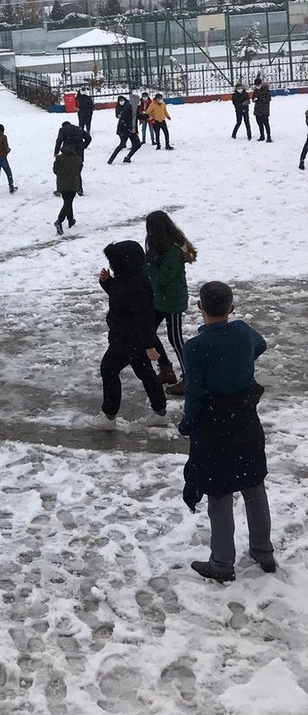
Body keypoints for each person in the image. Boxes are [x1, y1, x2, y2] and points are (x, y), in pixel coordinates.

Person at [180, 281, 274, 582]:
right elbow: (260, 345)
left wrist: (187, 423)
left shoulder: (195, 348)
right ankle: (263, 551)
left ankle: (222, 563)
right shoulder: (243, 332)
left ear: (199, 307)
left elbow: (194, 393)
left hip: (214, 426)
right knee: (254, 485)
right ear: (231, 308)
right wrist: (238, 361)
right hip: (245, 419)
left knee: (219, 493)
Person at [96, 241, 167, 426]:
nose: (113, 265)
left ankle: (108, 416)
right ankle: (160, 412)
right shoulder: (127, 277)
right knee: (145, 373)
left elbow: (144, 317)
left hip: (127, 338)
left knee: (109, 369)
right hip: (132, 338)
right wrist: (107, 282)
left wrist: (149, 345)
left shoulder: (135, 284)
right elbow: (120, 295)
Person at [144, 210, 197, 394]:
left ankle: (189, 377)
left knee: (175, 339)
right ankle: (165, 367)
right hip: (160, 299)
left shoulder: (173, 250)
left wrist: (146, 265)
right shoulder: (158, 246)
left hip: (172, 301)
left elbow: (162, 277)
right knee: (147, 332)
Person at [53, 120, 91, 195]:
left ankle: (60, 189)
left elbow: (59, 140)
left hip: (68, 151)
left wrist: (56, 152)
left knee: (63, 169)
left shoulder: (63, 129)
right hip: (79, 152)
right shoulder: (78, 128)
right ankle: (79, 189)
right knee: (77, 170)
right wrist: (83, 146)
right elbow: (88, 138)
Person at [53, 144, 82, 234]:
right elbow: (79, 169)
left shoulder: (59, 159)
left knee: (67, 202)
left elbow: (55, 171)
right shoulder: (78, 159)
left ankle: (70, 220)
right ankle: (59, 221)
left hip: (62, 184)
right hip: (73, 183)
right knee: (68, 203)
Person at [107, 94, 142, 164]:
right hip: (124, 129)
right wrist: (130, 128)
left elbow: (136, 116)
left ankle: (127, 158)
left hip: (130, 129)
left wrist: (146, 116)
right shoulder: (127, 108)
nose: (139, 103)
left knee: (136, 144)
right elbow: (123, 120)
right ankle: (111, 159)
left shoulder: (134, 107)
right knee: (123, 144)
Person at [0, 122, 16, 198]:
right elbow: (5, 148)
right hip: (2, 157)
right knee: (8, 172)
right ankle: (11, 187)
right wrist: (8, 150)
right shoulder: (3, 137)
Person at [252, 77, 272, 142]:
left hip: (264, 110)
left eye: (258, 85)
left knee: (266, 123)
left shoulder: (266, 90)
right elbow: (253, 98)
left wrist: (259, 99)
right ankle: (262, 136)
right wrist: (254, 99)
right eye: (256, 85)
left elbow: (268, 99)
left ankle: (269, 136)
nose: (257, 86)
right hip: (257, 110)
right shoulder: (255, 90)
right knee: (259, 124)